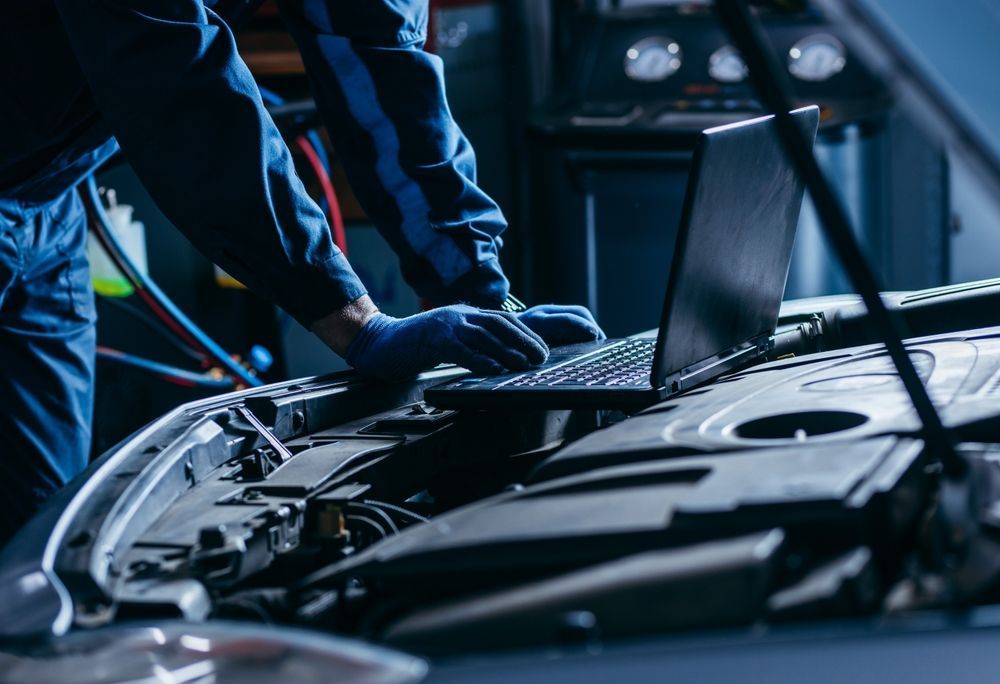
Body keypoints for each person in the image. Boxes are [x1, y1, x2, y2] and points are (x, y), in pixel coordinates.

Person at [0, 0, 603, 545]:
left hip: (46, 204)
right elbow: (181, 91)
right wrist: (354, 322)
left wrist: (483, 301)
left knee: (40, 540)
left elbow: (385, 66)